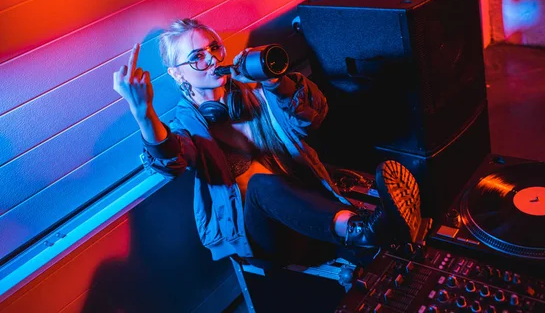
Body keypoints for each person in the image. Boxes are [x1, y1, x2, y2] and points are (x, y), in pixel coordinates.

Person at [112, 18, 422, 269]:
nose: (211, 60)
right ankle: (362, 229)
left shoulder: (257, 93)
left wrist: (275, 79)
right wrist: (143, 113)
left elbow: (313, 117)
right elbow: (172, 161)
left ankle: (376, 228)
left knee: (405, 256)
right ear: (177, 73)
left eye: (214, 48)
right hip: (266, 240)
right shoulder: (188, 125)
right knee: (262, 185)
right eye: (196, 57)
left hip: (312, 218)